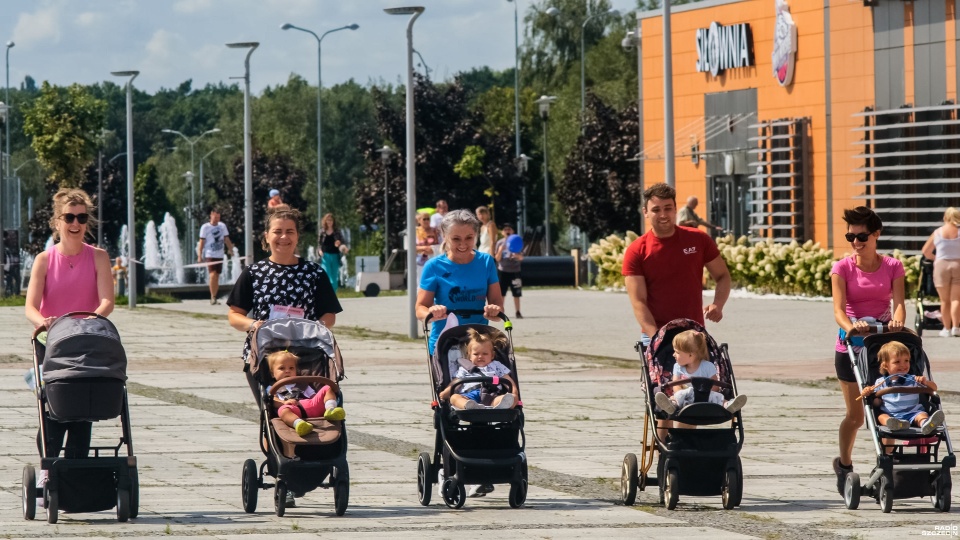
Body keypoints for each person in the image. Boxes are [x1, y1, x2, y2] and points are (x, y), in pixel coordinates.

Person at [227, 206, 343, 507]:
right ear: (267, 237)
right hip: (265, 360)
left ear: (297, 236)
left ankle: (309, 463)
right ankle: (285, 474)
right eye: (277, 231)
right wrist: (254, 325)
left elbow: (329, 314)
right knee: (274, 413)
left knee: (311, 410)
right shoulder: (254, 273)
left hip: (307, 357)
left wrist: (315, 326)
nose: (283, 237)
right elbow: (234, 315)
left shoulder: (313, 272)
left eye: (289, 231)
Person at [25, 188, 115, 504]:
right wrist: (45, 321)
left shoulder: (99, 257)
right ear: (58, 221)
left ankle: (75, 474)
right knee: (52, 412)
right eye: (69, 218)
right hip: (52, 344)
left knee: (83, 410)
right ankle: (50, 469)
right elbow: (30, 306)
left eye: (81, 217)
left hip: (88, 341)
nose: (75, 224)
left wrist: (89, 320)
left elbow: (107, 301)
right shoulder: (44, 260)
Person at [830, 205, 905, 495]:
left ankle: (884, 462)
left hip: (881, 343)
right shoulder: (842, 268)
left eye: (861, 237)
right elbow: (838, 309)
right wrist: (851, 325)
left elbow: (898, 302)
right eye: (851, 237)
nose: (856, 243)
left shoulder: (893, 266)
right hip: (850, 344)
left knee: (889, 407)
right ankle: (844, 464)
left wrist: (898, 320)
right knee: (857, 416)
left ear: (876, 235)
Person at [623, 183, 732, 342]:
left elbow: (723, 276)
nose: (663, 214)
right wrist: (657, 339)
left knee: (710, 368)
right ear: (645, 212)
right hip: (655, 334)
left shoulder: (698, 239)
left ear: (675, 209)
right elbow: (638, 301)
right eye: (656, 210)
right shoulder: (637, 250)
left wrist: (718, 304)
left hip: (693, 333)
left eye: (667, 208)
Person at [416, 209, 504, 356]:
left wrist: (494, 310)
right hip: (445, 344)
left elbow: (497, 306)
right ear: (444, 236)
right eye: (456, 239)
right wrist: (431, 313)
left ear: (475, 236)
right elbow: (420, 308)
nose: (463, 244)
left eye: (469, 238)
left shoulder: (486, 262)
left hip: (479, 347)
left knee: (494, 379)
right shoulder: (434, 266)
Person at [858, 341, 944, 436]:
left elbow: (934, 388)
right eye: (897, 362)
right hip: (892, 415)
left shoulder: (913, 379)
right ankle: (897, 425)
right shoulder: (880, 382)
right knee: (881, 417)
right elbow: (877, 403)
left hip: (913, 412)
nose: (903, 365)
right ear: (885, 365)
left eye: (906, 361)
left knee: (922, 415)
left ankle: (927, 425)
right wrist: (869, 393)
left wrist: (925, 382)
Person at [653, 330, 747, 415]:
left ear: (690, 354)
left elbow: (715, 386)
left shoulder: (707, 366)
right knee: (676, 396)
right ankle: (672, 405)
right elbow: (675, 385)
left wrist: (705, 394)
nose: (673, 355)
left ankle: (728, 405)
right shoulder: (677, 367)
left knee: (718, 396)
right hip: (686, 397)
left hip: (705, 397)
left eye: (677, 352)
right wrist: (680, 393)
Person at [267, 350, 345, 437]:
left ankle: (330, 409)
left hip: (311, 405)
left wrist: (319, 400)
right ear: (272, 373)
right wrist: (284, 403)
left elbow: (313, 396)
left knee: (328, 388)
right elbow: (272, 400)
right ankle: (298, 423)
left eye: (291, 368)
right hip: (292, 409)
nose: (287, 371)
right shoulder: (273, 388)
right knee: (283, 411)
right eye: (282, 368)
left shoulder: (302, 384)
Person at [438, 328, 518, 410]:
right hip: (469, 395)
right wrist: (446, 392)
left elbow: (508, 380)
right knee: (454, 398)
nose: (480, 357)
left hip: (492, 395)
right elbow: (456, 382)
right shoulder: (465, 368)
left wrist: (514, 393)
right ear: (469, 356)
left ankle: (501, 405)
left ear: (492, 355)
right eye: (476, 354)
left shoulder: (496, 366)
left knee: (510, 398)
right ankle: (469, 406)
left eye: (485, 354)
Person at [920, 207, 960, 337]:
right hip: (958, 264)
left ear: (945, 217)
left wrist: (935, 258)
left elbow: (926, 251)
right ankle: (956, 327)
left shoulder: (938, 232)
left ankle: (946, 329)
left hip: (942, 266)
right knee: (956, 299)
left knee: (945, 300)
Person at [197, 207, 236, 305]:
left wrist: (231, 250)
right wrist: (199, 255)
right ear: (211, 215)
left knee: (217, 276)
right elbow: (202, 242)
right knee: (213, 275)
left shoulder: (222, 226)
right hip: (210, 254)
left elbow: (226, 239)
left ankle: (214, 296)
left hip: (220, 254)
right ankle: (213, 297)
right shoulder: (205, 227)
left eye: (218, 218)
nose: (217, 220)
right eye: (215, 217)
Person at [495, 223, 523, 318]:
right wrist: (500, 250)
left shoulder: (517, 241)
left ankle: (518, 311)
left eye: (509, 229)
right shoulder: (500, 243)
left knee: (516, 293)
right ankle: (501, 311)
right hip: (503, 270)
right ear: (502, 232)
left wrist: (517, 256)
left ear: (513, 231)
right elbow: (497, 259)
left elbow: (521, 258)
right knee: (501, 293)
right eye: (505, 229)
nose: (507, 231)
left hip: (515, 271)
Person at [318, 213, 348, 292]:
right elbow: (319, 245)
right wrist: (320, 251)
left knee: (334, 277)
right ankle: (327, 293)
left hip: (335, 256)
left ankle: (333, 294)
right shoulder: (322, 232)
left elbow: (342, 243)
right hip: (325, 256)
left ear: (333, 221)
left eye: (331, 220)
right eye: (328, 220)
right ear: (325, 221)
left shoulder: (337, 232)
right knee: (327, 275)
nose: (329, 222)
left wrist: (342, 246)